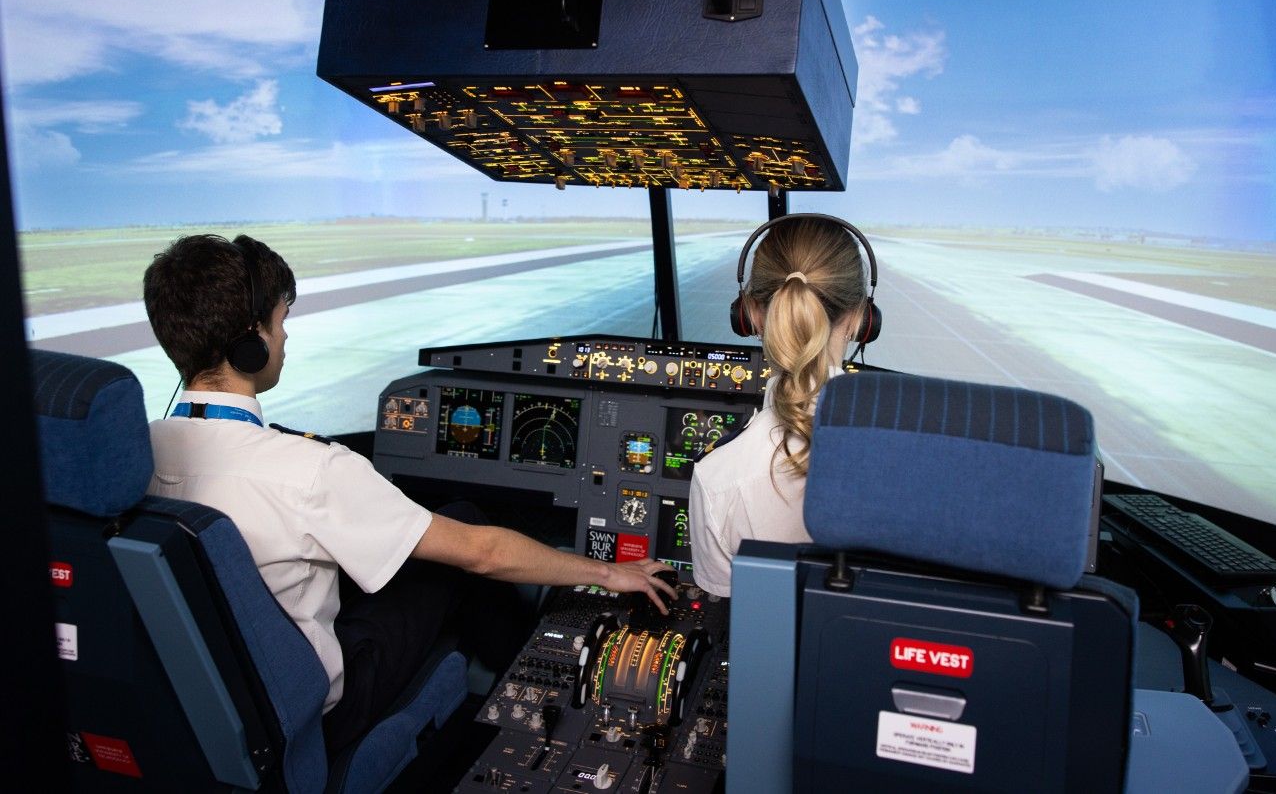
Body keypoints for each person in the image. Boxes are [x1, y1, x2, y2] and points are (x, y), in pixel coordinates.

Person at [142, 233, 674, 754]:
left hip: (209, 699)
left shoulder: (137, 454)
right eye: (281, 323)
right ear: (250, 342)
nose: (285, 339)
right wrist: (609, 572)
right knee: (461, 529)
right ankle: (526, 703)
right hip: (312, 713)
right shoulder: (310, 471)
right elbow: (482, 553)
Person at [689, 216, 870, 596]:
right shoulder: (914, 456)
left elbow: (729, 613)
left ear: (752, 316)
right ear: (860, 319)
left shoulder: (717, 479)